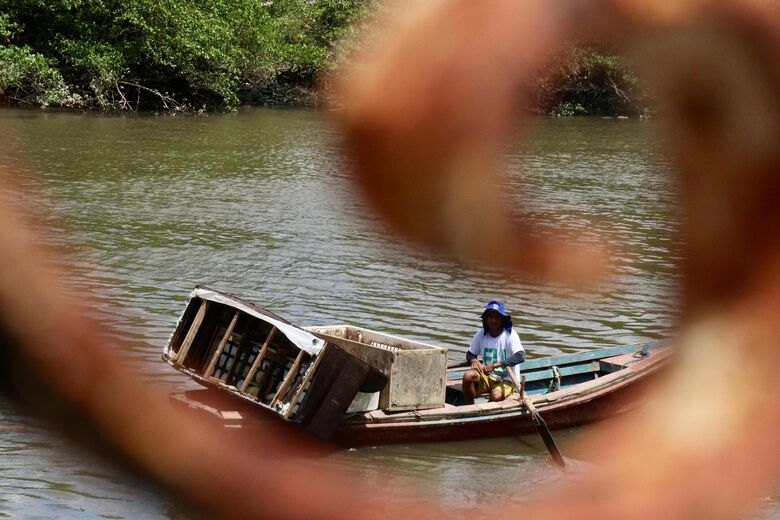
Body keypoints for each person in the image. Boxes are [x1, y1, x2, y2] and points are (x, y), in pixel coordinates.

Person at [462, 300, 525, 404]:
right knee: (468, 376)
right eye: (490, 317)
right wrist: (474, 360)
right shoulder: (481, 334)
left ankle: (487, 413)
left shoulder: (510, 335)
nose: (493, 321)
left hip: (507, 379)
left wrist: (495, 365)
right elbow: (470, 353)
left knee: (495, 396)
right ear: (486, 320)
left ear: (502, 320)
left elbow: (521, 356)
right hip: (488, 376)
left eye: (497, 318)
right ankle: (470, 407)